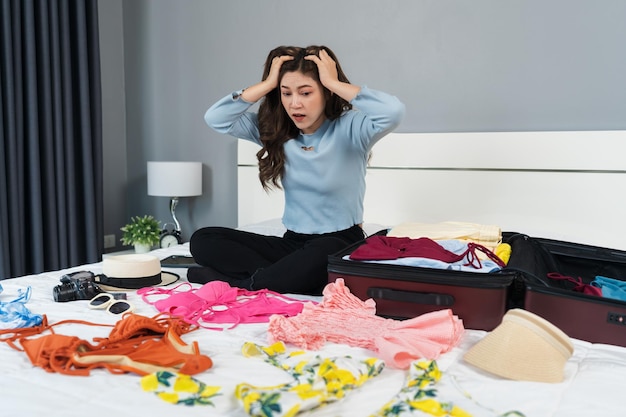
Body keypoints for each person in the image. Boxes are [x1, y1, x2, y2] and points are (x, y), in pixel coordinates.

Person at [189, 45, 405, 295]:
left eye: (305, 93)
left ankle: (244, 284)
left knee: (321, 256)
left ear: (325, 92)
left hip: (339, 242)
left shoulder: (353, 128)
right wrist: (268, 83)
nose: (295, 104)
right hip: (291, 243)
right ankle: (289, 277)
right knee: (203, 240)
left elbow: (393, 111)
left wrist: (334, 83)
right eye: (286, 93)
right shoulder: (276, 131)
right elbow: (216, 118)